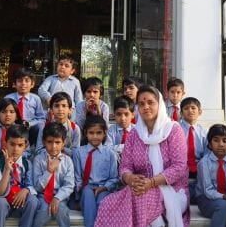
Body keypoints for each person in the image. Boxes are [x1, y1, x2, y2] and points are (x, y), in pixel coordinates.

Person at [94, 85, 189, 227]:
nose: (146, 107)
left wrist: (151, 182)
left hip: (171, 188)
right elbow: (125, 166)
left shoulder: (173, 130)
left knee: (141, 199)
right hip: (138, 187)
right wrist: (130, 178)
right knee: (107, 204)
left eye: (150, 102)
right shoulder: (135, 134)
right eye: (141, 103)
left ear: (160, 104)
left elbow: (179, 167)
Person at [0, 124, 38, 227]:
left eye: (20, 145)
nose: (15, 149)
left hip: (18, 200)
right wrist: (6, 170)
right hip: (1, 200)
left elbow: (31, 184)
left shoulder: (27, 164)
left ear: (25, 146)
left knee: (33, 200)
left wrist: (26, 190)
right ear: (5, 144)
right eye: (12, 144)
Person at [73, 115, 119, 227]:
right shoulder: (78, 152)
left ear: (104, 133)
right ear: (85, 133)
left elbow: (114, 178)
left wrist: (104, 187)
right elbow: (77, 177)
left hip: (104, 188)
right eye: (91, 133)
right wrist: (80, 192)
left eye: (98, 133)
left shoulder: (110, 154)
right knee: (88, 195)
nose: (95, 136)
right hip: (86, 187)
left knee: (101, 202)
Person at [33, 122, 75, 227]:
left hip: (60, 196)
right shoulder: (38, 160)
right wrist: (49, 171)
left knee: (61, 210)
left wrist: (57, 198)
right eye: (49, 142)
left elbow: (69, 185)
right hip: (42, 196)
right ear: (44, 142)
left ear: (63, 143)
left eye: (57, 142)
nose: (53, 146)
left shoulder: (67, 161)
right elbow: (37, 187)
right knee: (44, 211)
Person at [5, 69, 46, 145]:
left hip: (30, 129)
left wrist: (29, 124)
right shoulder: (8, 98)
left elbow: (41, 118)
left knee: (39, 126)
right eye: (20, 81)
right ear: (14, 84)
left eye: (27, 81)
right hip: (12, 127)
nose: (23, 83)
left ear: (32, 84)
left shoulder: (36, 99)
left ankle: (36, 147)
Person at [34, 92, 81, 156]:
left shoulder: (75, 128)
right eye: (56, 106)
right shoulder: (44, 126)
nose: (60, 109)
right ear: (51, 110)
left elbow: (76, 153)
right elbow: (38, 150)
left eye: (64, 106)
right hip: (47, 159)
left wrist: (61, 149)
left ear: (70, 110)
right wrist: (52, 151)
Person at [180, 97, 208, 196]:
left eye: (193, 108)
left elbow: (207, 154)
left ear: (200, 111)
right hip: (181, 167)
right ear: (181, 113)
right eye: (186, 108)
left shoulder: (204, 132)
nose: (190, 111)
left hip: (198, 169)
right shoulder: (176, 129)